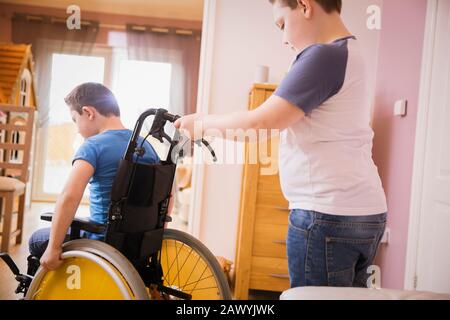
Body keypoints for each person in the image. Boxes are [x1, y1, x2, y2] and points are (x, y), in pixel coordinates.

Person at [174, 0, 387, 288]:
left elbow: (258, 125)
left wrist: (201, 124)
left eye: (282, 24)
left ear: (304, 5)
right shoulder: (352, 52)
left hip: (325, 216)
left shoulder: (323, 56)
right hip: (366, 213)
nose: (284, 39)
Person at [28, 82, 160, 271]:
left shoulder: (93, 146)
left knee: (37, 239)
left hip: (102, 240)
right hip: (138, 242)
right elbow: (166, 195)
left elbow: (69, 197)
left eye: (75, 120)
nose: (76, 128)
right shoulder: (146, 145)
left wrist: (53, 247)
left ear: (89, 113)